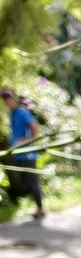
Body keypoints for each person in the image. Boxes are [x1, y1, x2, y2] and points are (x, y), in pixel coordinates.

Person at [1, 87, 45, 222]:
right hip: (20, 153)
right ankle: (38, 206)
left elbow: (35, 126)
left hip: (28, 153)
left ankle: (40, 208)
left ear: (15, 99)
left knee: (32, 181)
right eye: (5, 100)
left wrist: (30, 141)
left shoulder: (21, 112)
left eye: (9, 98)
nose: (7, 102)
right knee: (26, 181)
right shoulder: (12, 114)